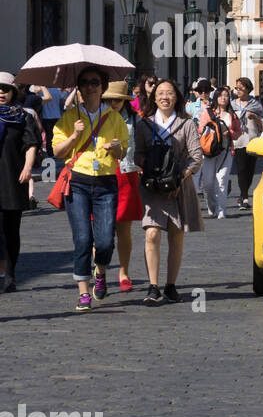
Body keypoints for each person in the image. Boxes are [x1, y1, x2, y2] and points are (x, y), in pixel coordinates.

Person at [51, 67, 128, 310]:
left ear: (102, 86)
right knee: (83, 238)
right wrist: (74, 135)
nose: (90, 87)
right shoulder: (70, 118)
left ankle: (101, 271)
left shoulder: (114, 118)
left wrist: (115, 148)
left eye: (95, 82)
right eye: (84, 83)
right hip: (78, 181)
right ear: (79, 87)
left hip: (106, 182)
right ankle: (83, 291)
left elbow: (123, 151)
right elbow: (57, 151)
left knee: (105, 241)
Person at [138, 79, 204, 306]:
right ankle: (153, 286)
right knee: (152, 233)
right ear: (154, 98)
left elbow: (196, 156)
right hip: (153, 187)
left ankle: (171, 285)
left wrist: (179, 177)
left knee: (176, 236)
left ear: (176, 97)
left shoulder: (186, 124)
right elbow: (137, 153)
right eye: (160, 93)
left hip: (179, 186)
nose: (164, 97)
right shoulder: (144, 124)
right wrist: (149, 167)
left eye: (169, 93)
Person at [0, 72, 41, 292]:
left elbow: (31, 144)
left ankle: (10, 273)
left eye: (5, 89)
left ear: (13, 92)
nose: (1, 93)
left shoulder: (22, 116)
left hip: (12, 177)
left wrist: (27, 167)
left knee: (10, 230)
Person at [103, 80, 144, 292]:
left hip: (127, 174)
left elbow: (143, 144)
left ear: (124, 100)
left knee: (124, 230)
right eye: (109, 99)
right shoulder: (96, 117)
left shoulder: (135, 120)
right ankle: (99, 270)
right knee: (100, 230)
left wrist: (142, 164)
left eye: (117, 99)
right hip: (102, 173)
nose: (113, 103)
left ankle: (124, 272)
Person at [197, 85, 241, 219]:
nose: (224, 98)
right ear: (216, 97)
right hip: (209, 151)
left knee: (221, 180)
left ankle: (222, 210)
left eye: (226, 95)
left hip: (226, 151)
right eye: (221, 95)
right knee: (208, 182)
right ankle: (212, 207)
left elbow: (238, 132)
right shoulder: (208, 113)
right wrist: (211, 129)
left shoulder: (232, 115)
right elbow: (200, 130)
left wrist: (230, 133)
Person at [231, 77, 263, 209]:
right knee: (241, 169)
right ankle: (244, 197)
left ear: (247, 89)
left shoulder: (255, 104)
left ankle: (244, 194)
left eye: (240, 88)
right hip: (238, 141)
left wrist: (255, 117)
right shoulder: (233, 104)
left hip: (252, 141)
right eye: (236, 88)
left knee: (250, 170)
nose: (238, 90)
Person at [37, 84, 67, 160]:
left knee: (49, 135)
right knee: (57, 134)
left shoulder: (41, 92)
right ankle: (56, 151)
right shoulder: (57, 91)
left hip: (46, 116)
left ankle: (50, 153)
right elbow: (63, 103)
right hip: (57, 116)